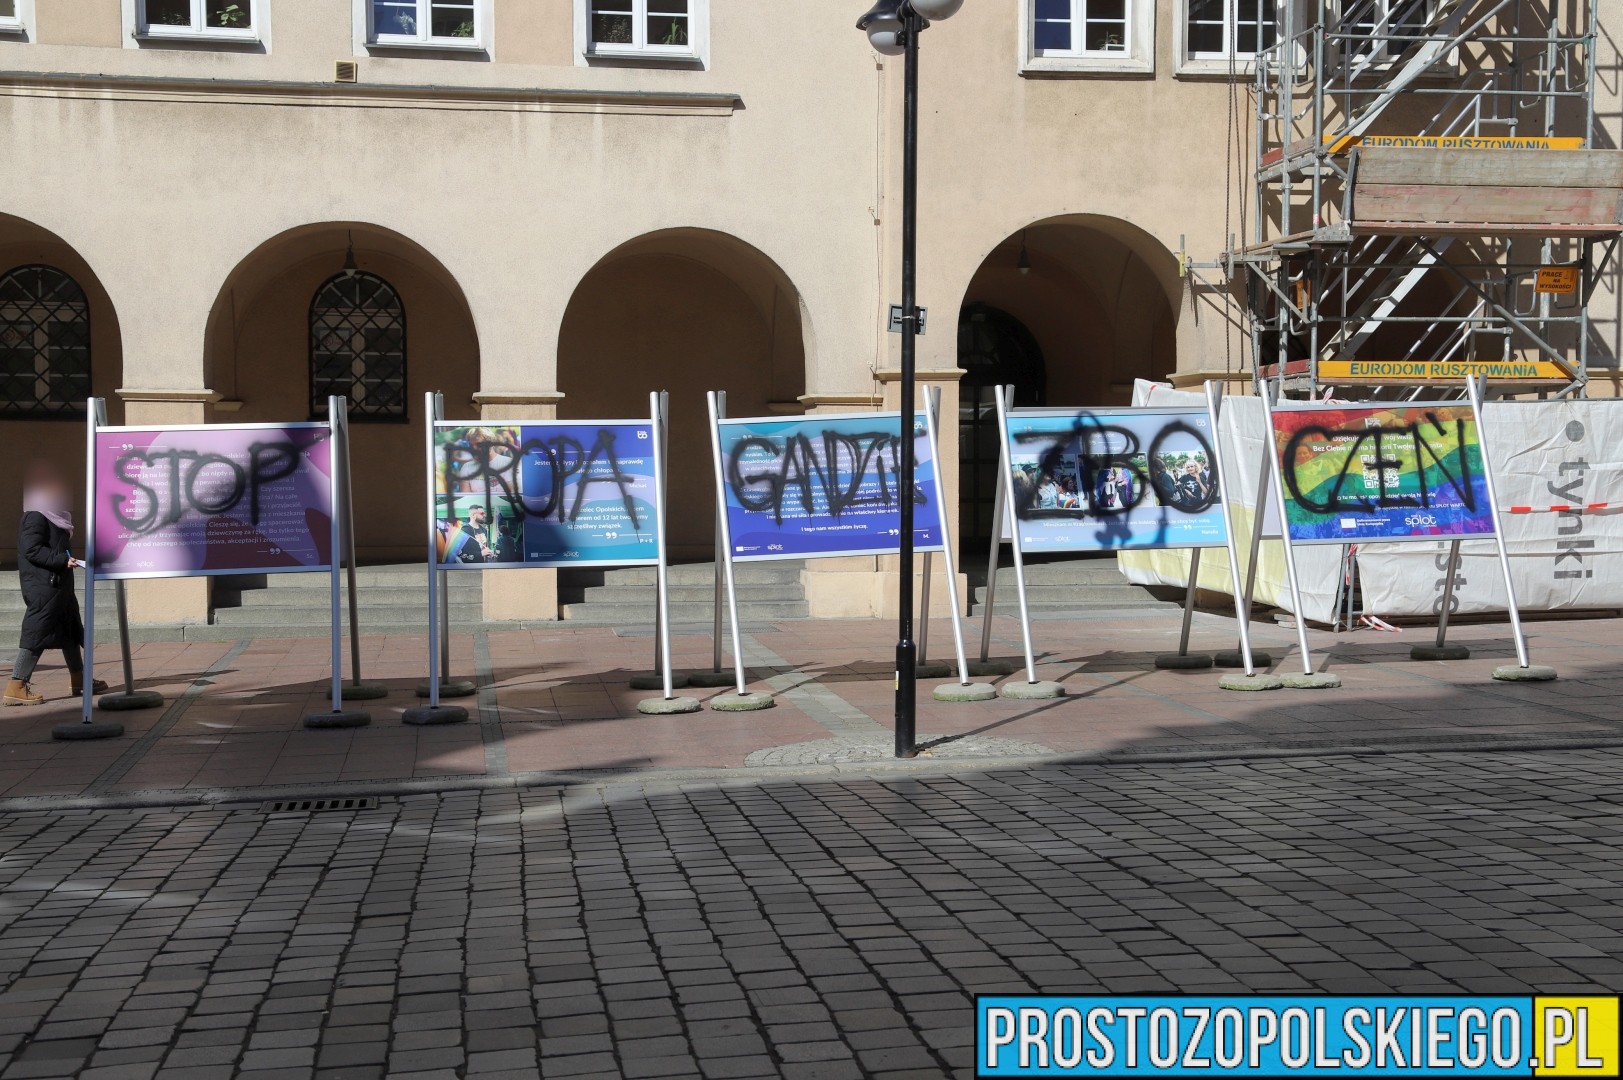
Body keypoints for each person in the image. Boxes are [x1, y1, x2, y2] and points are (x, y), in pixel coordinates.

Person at [6, 464, 107, 706]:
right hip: (44, 586)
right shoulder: (36, 515)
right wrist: (62, 560)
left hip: (58, 584)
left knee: (69, 631)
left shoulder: (55, 518)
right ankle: (16, 685)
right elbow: (31, 549)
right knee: (36, 633)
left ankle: (79, 679)